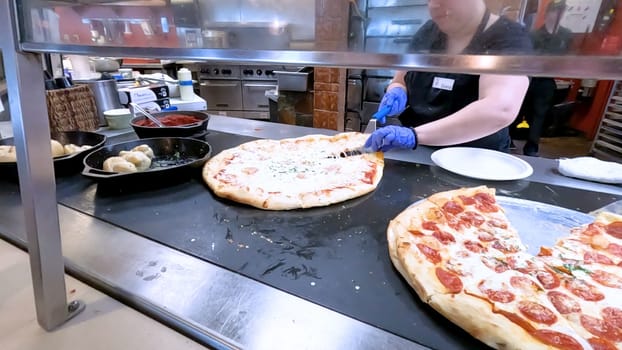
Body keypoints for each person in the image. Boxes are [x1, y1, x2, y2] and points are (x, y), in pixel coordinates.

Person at [364, 0, 533, 153]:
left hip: (475, 160)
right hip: (418, 151)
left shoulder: (508, 37)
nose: (434, 5)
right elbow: (401, 78)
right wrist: (397, 90)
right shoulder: (428, 32)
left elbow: (499, 110)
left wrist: (414, 135)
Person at [512, 0, 572, 156]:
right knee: (519, 110)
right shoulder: (535, 35)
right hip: (529, 78)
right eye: (554, 11)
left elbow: (565, 57)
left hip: (546, 80)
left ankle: (532, 146)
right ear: (547, 13)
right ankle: (510, 137)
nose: (557, 15)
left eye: (560, 11)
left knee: (540, 114)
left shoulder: (566, 35)